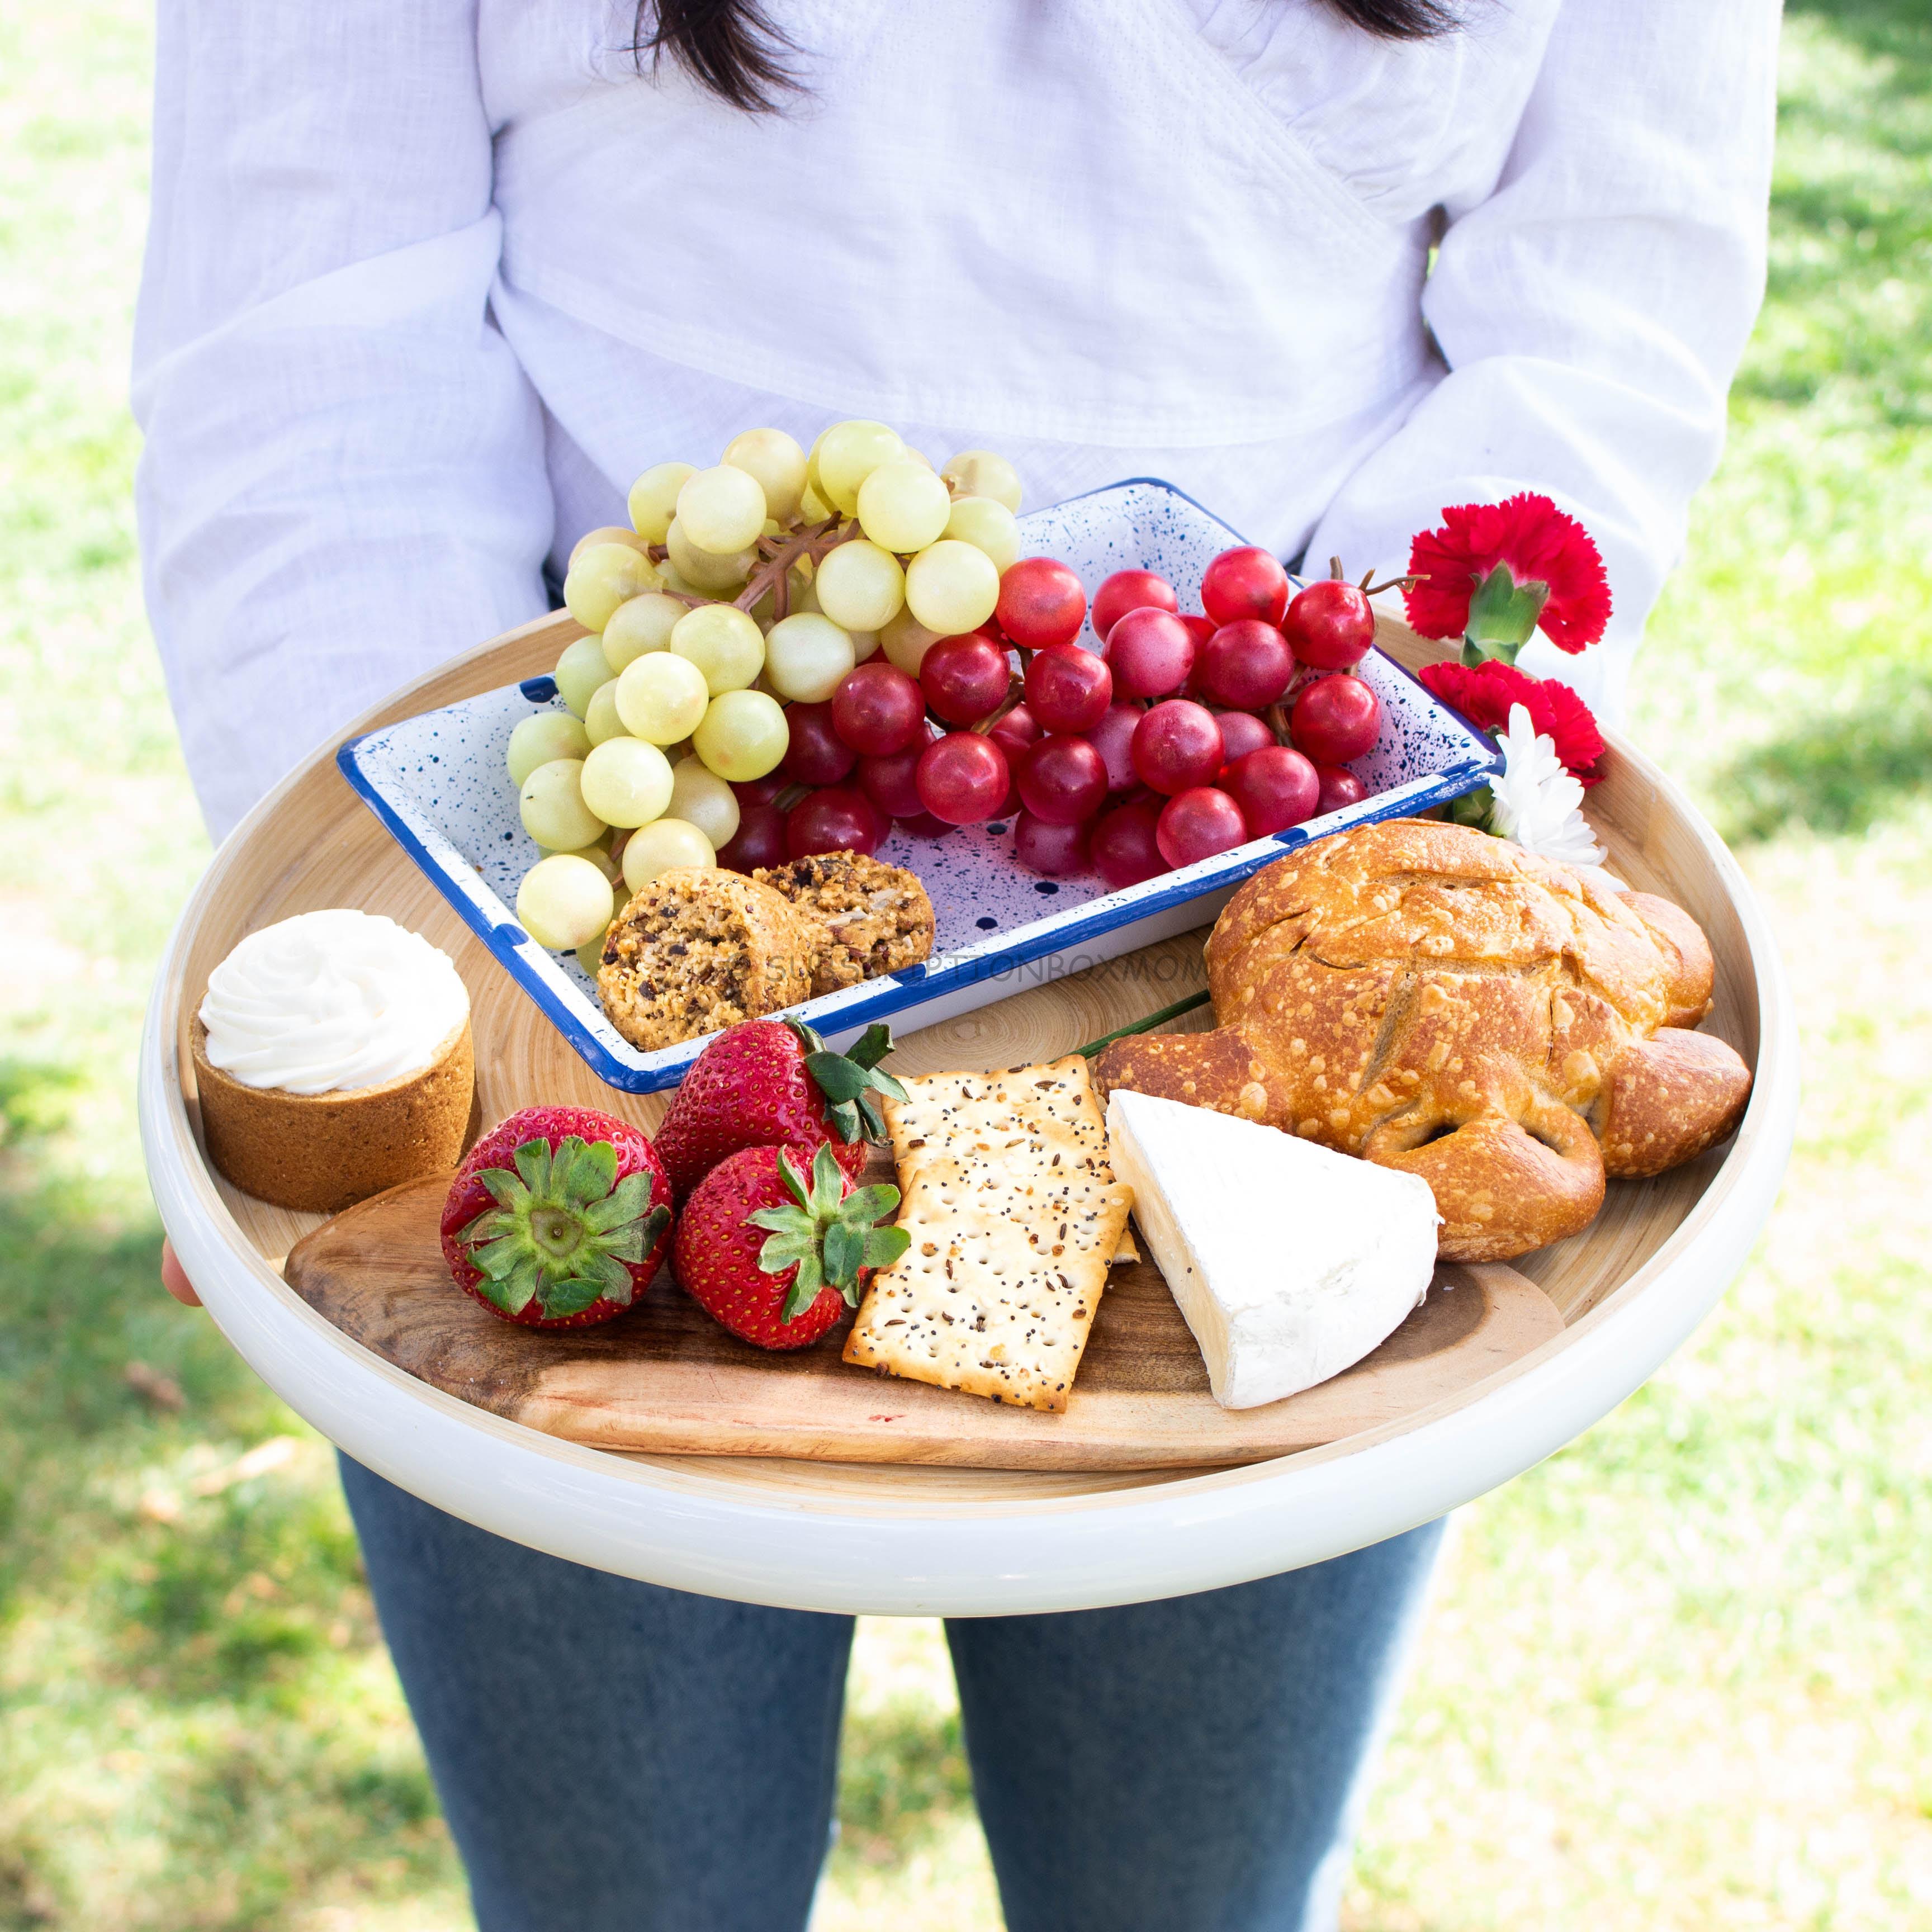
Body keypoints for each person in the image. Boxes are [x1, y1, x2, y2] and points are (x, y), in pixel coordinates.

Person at [138, 3, 1778, 1926]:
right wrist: (407, 972)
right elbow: (312, 350)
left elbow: (1610, 298)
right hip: (582, 967)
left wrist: (1345, 772)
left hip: (1254, 976)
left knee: (1195, 1901)